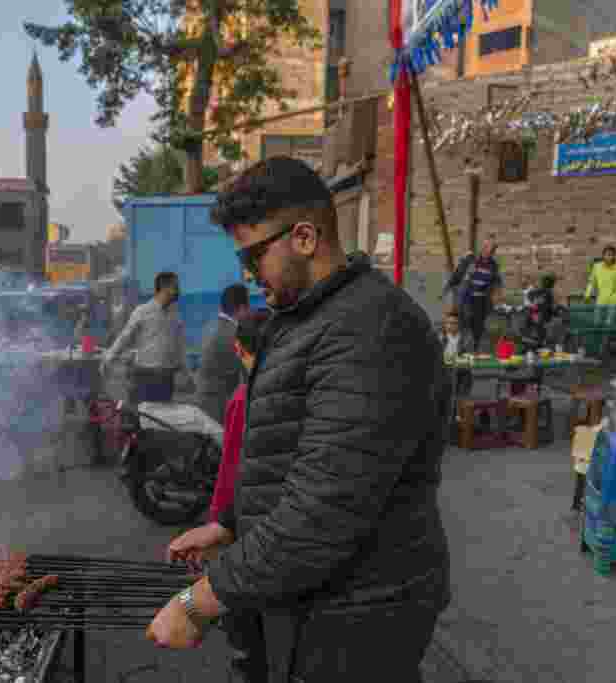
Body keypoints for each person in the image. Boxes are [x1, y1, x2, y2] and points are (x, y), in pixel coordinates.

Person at [149, 157, 451, 683]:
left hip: (359, 609)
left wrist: (200, 601)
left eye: (252, 256)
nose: (246, 274)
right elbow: (291, 451)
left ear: (305, 237)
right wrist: (234, 527)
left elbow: (324, 510)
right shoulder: (308, 318)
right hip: (315, 596)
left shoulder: (370, 330)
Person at [202, 308, 270, 683]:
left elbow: (230, 473)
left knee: (247, 633)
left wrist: (216, 524)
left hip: (249, 530)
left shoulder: (244, 398)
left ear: (239, 350)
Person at [102, 272, 194, 404]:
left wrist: (187, 373)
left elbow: (179, 346)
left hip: (166, 379)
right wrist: (109, 357)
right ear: (164, 287)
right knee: (143, 417)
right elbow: (125, 337)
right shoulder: (143, 311)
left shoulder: (175, 315)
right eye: (175, 287)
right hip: (145, 376)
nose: (178, 291)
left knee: (162, 418)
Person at [196, 284, 250, 424]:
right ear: (242, 308)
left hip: (202, 401)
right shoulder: (235, 334)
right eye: (248, 308)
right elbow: (249, 372)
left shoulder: (210, 326)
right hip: (219, 406)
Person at [443, 239, 503, 352]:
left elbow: (496, 281)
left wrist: (497, 294)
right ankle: (457, 351)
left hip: (481, 301)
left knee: (478, 328)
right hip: (466, 299)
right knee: (463, 326)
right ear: (483, 248)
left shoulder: (493, 265)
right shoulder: (471, 259)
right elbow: (457, 274)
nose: (489, 252)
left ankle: (473, 351)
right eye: (487, 248)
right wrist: (446, 290)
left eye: (492, 250)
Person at [585, 245, 616, 357]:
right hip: (601, 300)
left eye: (612, 254)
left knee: (609, 326)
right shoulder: (597, 267)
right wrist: (588, 294)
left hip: (615, 300)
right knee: (597, 324)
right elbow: (591, 281)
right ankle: (595, 348)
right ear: (603, 255)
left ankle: (603, 351)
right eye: (607, 254)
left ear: (615, 256)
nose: (609, 257)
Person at [440, 312, 473, 396]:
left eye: (454, 323)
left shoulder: (466, 338)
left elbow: (469, 356)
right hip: (444, 371)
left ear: (459, 325)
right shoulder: (440, 337)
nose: (450, 325)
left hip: (461, 371)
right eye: (448, 323)